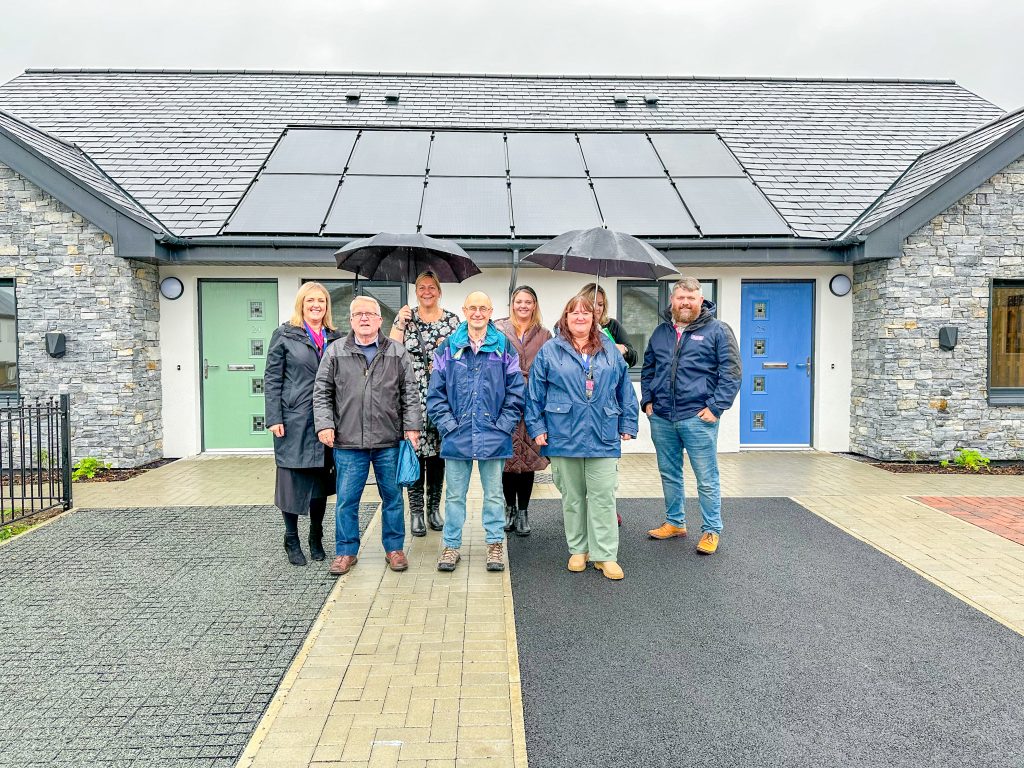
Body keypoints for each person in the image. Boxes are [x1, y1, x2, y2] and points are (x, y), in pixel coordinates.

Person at [526, 293, 639, 580]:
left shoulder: (610, 351)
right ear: (565, 318)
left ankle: (605, 555)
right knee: (573, 497)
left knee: (603, 496)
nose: (580, 317)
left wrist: (628, 422)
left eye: (586, 313)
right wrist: (537, 429)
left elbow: (624, 388)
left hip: (603, 433)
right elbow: (534, 394)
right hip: (564, 434)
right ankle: (578, 550)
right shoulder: (551, 350)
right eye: (573, 312)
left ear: (594, 319)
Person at [313, 295, 422, 576]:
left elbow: (410, 393)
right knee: (347, 500)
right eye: (358, 314)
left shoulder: (397, 352)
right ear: (349, 320)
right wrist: (324, 425)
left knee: (393, 498)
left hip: (389, 440)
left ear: (379, 320)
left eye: (369, 314)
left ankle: (394, 549)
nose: (364, 318)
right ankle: (346, 552)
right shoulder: (335, 351)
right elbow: (322, 392)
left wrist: (412, 428)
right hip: (348, 442)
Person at [426, 291, 525, 573]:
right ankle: (451, 546)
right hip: (457, 434)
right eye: (473, 308)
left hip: (493, 435)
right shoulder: (448, 347)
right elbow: (436, 395)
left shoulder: (503, 346)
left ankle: (494, 544)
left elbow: (516, 392)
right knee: (455, 495)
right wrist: (448, 426)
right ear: (464, 310)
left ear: (491, 311)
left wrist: (503, 427)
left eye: (483, 308)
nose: (478, 313)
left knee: (494, 494)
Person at [641, 277, 741, 555]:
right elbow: (648, 369)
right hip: (661, 417)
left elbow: (731, 373)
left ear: (701, 300)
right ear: (672, 300)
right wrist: (647, 401)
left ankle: (711, 530)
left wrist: (716, 407)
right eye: (681, 297)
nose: (685, 302)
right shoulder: (661, 332)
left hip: (697, 417)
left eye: (691, 298)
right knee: (669, 473)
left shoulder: (718, 330)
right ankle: (675, 522)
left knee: (706, 477)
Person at [265, 282, 342, 566]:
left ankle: (315, 536)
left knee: (320, 482)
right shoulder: (284, 335)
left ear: (326, 306)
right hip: (294, 419)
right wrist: (274, 417)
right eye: (311, 300)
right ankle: (291, 537)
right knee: (292, 481)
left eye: (321, 301)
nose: (316, 305)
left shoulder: (335, 337)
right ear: (301, 303)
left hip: (325, 421)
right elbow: (272, 378)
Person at [390, 271, 461, 537]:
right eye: (422, 287)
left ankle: (434, 508)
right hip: (412, 393)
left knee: (439, 455)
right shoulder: (407, 318)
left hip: (444, 394)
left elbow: (464, 354)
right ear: (416, 290)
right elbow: (392, 350)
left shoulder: (453, 321)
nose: (427, 291)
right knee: (416, 451)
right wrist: (399, 322)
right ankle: (416, 511)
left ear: (439, 291)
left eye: (432, 287)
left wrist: (447, 357)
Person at [495, 285, 552, 537]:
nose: (523, 306)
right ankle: (508, 508)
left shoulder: (544, 334)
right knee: (507, 460)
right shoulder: (497, 329)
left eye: (528, 301)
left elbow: (551, 369)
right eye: (519, 301)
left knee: (528, 460)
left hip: (533, 400)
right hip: (504, 399)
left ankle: (523, 511)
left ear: (535, 305)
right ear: (512, 304)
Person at [578, 283, 638, 367]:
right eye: (592, 303)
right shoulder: (574, 326)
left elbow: (634, 358)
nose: (597, 308)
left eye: (600, 304)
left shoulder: (612, 325)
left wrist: (624, 349)